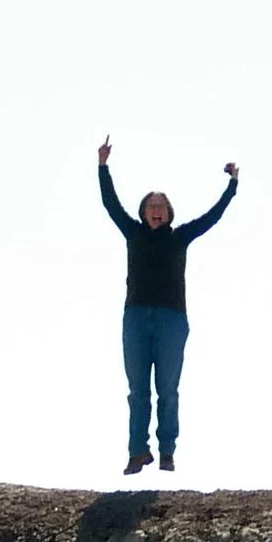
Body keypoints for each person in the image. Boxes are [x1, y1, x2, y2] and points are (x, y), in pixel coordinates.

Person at [97, 139, 238, 476]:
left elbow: (213, 217)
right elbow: (109, 203)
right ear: (143, 211)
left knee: (168, 391)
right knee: (137, 390)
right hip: (135, 319)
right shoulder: (133, 232)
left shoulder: (180, 236)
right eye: (151, 205)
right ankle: (137, 451)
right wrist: (102, 166)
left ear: (169, 212)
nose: (156, 209)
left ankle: (167, 451)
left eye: (161, 205)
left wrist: (231, 185)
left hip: (172, 320)